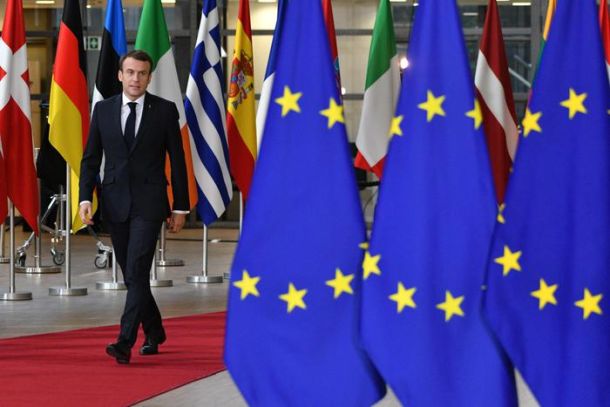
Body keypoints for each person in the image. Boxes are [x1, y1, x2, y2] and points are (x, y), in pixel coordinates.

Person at [78, 50, 189, 364]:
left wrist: (180, 206)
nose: (135, 79)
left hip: (150, 204)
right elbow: (90, 160)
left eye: (142, 73)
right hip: (115, 203)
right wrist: (85, 198)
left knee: (138, 269)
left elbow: (178, 161)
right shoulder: (103, 110)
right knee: (132, 275)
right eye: (130, 72)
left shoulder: (165, 111)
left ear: (149, 77)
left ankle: (124, 341)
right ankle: (155, 331)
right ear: (120, 75)